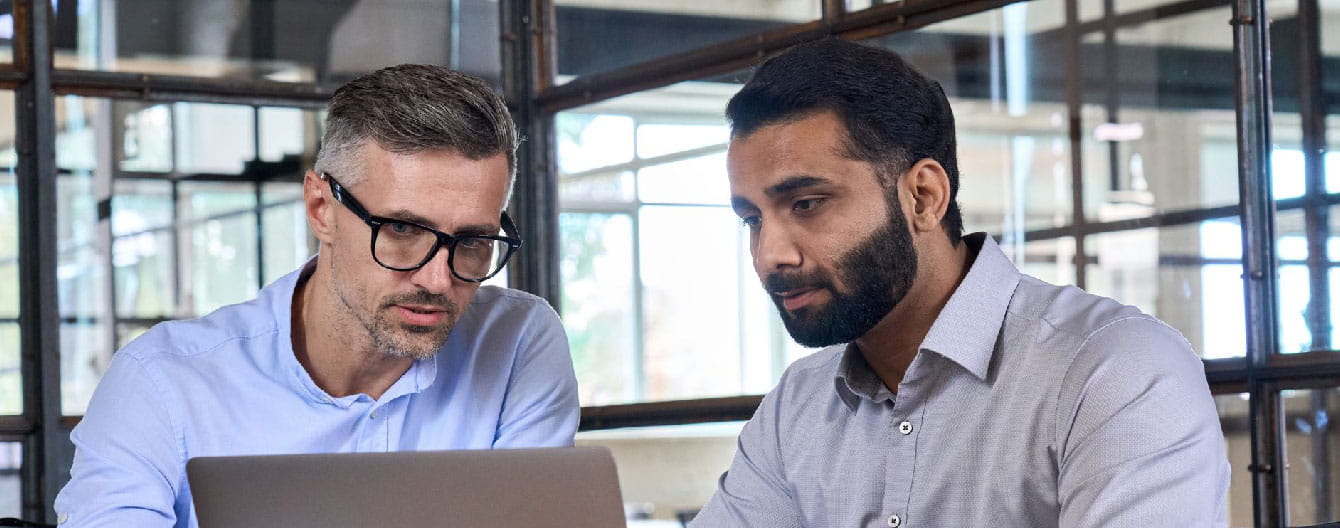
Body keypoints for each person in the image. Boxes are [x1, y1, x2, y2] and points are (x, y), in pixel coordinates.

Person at [691, 38, 1229, 527]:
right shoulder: (797, 407)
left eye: (806, 204)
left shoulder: (1113, 369)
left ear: (923, 197)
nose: (769, 256)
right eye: (752, 219)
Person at [54, 64, 579, 527]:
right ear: (320, 209)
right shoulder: (161, 382)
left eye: (472, 242)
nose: (438, 280)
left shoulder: (517, 343)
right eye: (401, 230)